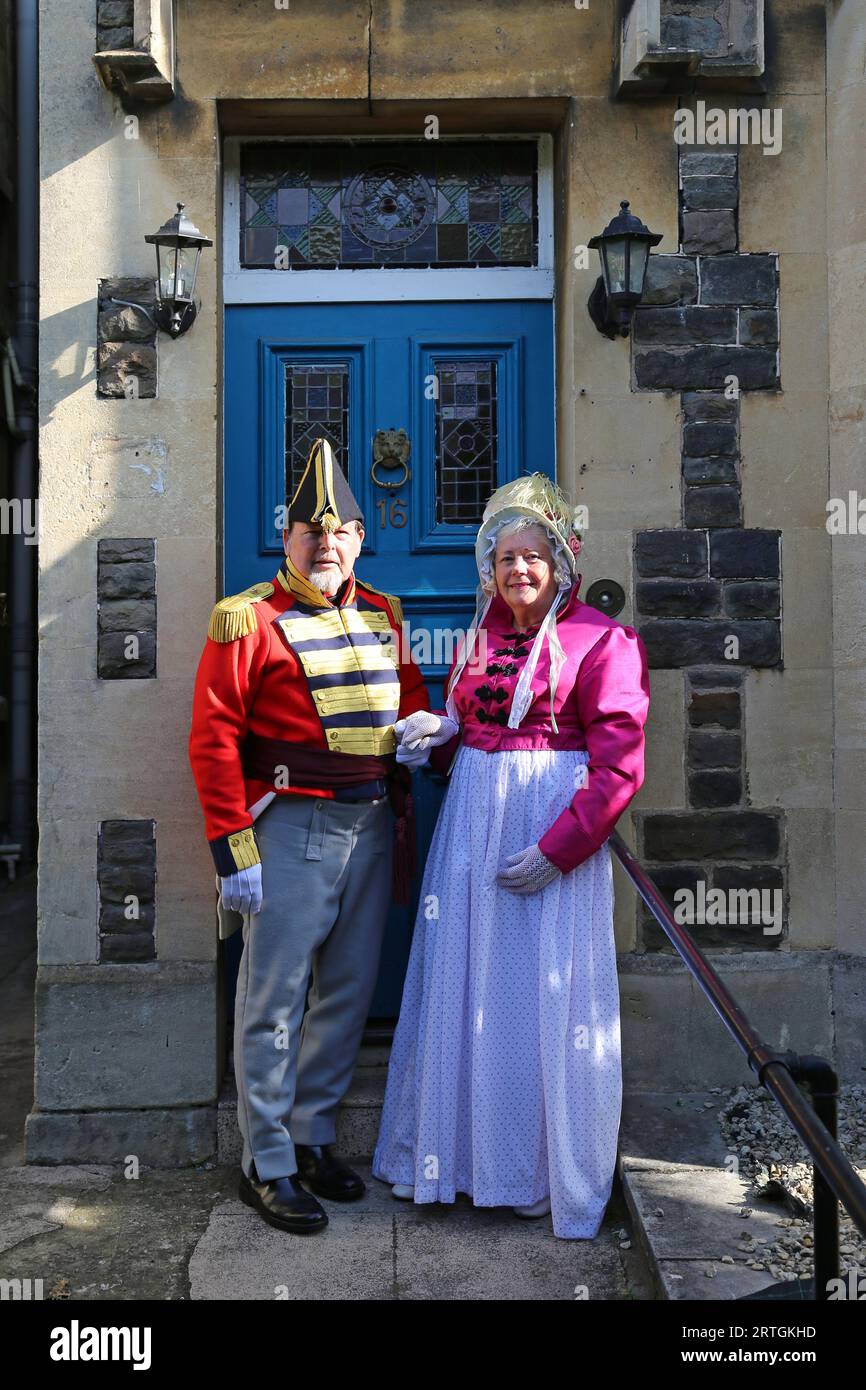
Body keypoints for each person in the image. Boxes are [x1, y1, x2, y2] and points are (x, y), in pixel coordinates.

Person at [371, 473, 650, 1239]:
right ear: (488, 569)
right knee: (462, 983)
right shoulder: (479, 639)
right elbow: (479, 727)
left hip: (548, 830)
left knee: (539, 994)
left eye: (534, 557)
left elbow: (620, 765)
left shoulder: (604, 639)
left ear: (561, 562)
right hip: (470, 830)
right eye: (505, 558)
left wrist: (562, 850)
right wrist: (444, 734)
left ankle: (529, 1168)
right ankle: (452, 1161)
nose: (518, 570)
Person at [188, 438, 430, 1235]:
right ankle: (267, 1160)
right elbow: (214, 739)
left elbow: (410, 707)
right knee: (273, 999)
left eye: (339, 533)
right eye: (309, 533)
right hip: (287, 825)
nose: (325, 544)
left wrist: (425, 734)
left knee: (349, 993)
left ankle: (315, 1137)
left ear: (360, 539)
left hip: (370, 822)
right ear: (286, 540)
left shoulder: (387, 614)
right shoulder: (247, 618)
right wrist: (233, 847)